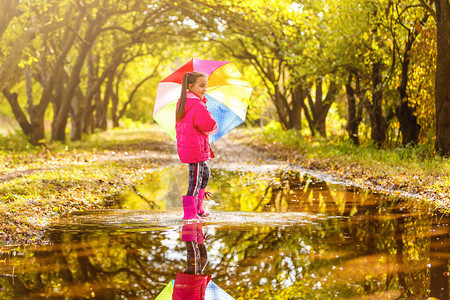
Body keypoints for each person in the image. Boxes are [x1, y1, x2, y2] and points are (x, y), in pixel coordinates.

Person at [176, 72, 218, 220]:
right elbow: (208, 125)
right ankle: (189, 214)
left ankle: (198, 208)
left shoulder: (184, 102)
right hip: (196, 149)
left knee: (204, 174)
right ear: (190, 86)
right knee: (195, 180)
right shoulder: (197, 105)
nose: (204, 89)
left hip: (192, 147)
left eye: (205, 86)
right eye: (201, 86)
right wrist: (212, 121)